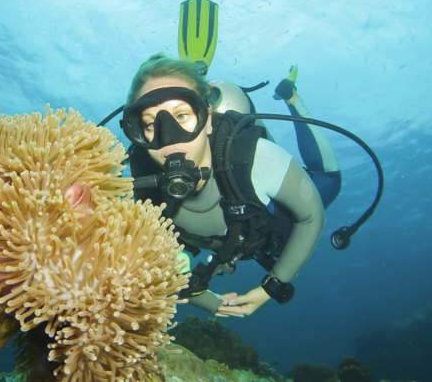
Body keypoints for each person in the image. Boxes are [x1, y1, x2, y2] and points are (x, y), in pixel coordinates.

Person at [120, 53, 341, 317]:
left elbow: (311, 215)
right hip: (244, 240)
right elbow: (162, 268)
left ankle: (291, 96)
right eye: (150, 123)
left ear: (207, 118)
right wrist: (212, 303)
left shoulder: (256, 157)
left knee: (329, 183)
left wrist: (274, 286)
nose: (168, 137)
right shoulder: (138, 196)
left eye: (182, 115)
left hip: (269, 213)